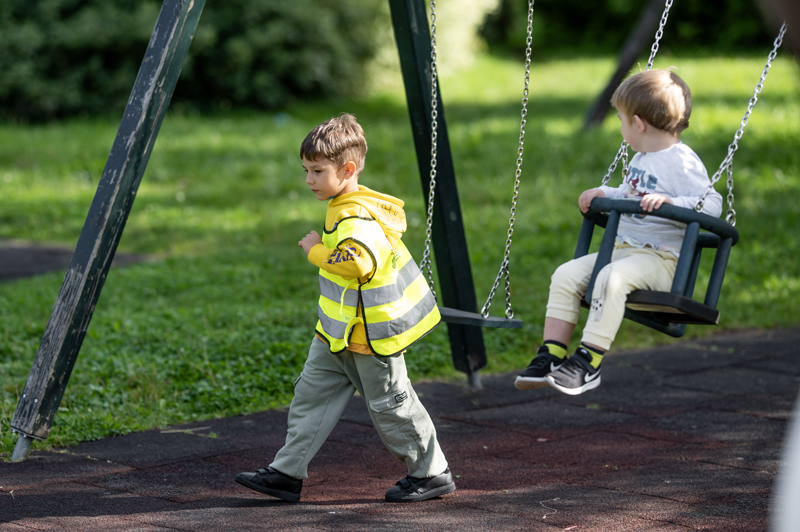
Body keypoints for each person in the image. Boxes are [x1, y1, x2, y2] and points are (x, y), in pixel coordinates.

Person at [235, 113, 455, 503]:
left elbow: (358, 263)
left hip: (369, 337)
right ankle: (287, 472)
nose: (309, 180)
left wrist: (315, 251)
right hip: (335, 334)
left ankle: (431, 472)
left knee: (391, 407)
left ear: (348, 170)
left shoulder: (356, 216)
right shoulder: (341, 205)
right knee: (310, 399)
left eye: (318, 171)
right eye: (306, 170)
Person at [515, 69, 722, 396]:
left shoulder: (683, 162)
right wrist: (603, 193)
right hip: (624, 252)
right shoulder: (642, 159)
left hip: (661, 261)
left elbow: (712, 205)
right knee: (565, 275)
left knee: (610, 278)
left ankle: (589, 363)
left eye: (621, 120)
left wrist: (671, 202)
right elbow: (629, 193)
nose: (621, 128)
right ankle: (552, 354)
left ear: (637, 124)